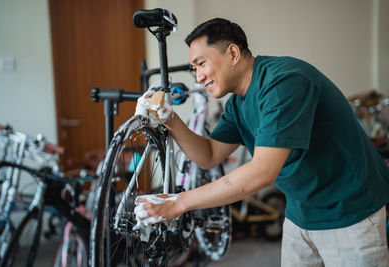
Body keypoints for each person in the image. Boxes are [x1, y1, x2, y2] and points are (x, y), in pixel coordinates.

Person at [136, 18, 389, 266]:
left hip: (350, 213)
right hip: (300, 214)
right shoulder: (237, 103)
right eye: (195, 69)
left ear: (233, 53)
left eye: (201, 64)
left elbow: (261, 173)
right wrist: (171, 119)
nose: (199, 77)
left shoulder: (284, 82)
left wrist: (179, 203)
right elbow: (209, 155)